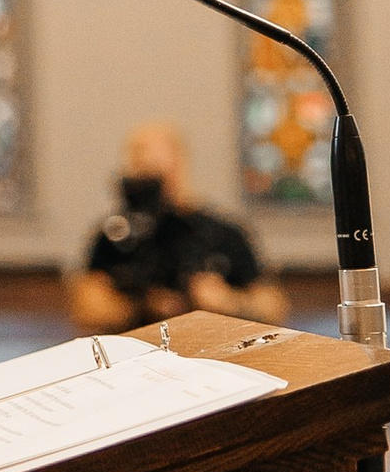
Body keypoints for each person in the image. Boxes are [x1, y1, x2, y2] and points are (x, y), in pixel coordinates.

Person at [68, 120, 284, 336]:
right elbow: (87, 308)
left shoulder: (222, 234)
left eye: (158, 169)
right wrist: (141, 304)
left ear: (180, 165)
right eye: (141, 169)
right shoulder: (116, 237)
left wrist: (227, 301)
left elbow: (271, 306)